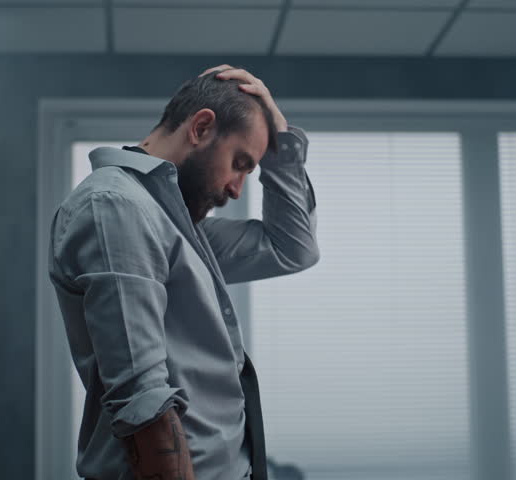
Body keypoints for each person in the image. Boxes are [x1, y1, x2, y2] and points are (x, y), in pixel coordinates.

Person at [48, 64, 319, 480]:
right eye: (240, 163)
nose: (236, 188)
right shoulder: (117, 207)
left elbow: (291, 248)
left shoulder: (175, 222)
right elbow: (143, 400)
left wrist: (280, 136)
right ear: (201, 128)